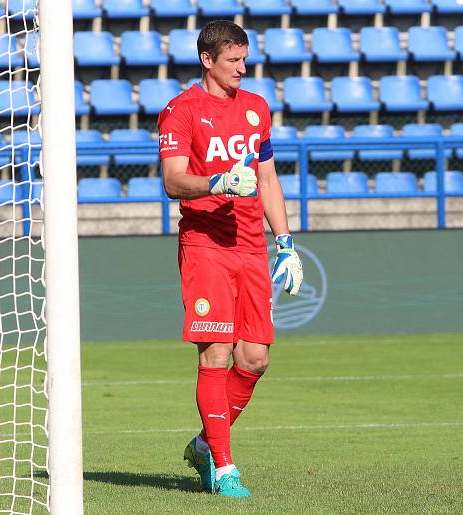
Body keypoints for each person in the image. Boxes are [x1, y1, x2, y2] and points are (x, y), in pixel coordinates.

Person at [158, 20, 304, 498]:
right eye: (233, 61)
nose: (242, 68)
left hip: (249, 246)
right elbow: (174, 181)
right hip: (205, 245)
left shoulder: (257, 109)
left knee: (256, 358)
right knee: (216, 355)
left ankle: (203, 444)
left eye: (244, 59)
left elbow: (267, 179)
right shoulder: (180, 111)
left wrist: (285, 242)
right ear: (207, 60)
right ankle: (224, 467)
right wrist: (217, 181)